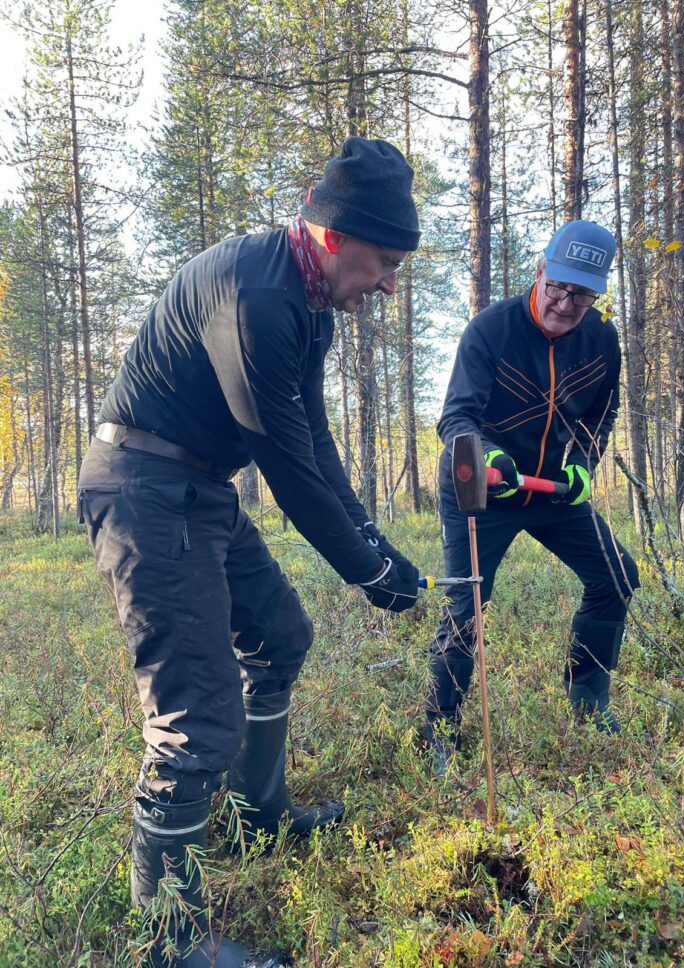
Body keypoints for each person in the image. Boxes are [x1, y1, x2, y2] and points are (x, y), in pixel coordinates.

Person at [78, 137, 421, 967]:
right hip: (143, 488)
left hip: (198, 489)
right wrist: (370, 572)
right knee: (195, 718)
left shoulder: (307, 308)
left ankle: (258, 815)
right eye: (382, 262)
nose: (387, 284)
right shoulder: (257, 293)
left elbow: (318, 447)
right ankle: (171, 942)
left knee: (279, 637)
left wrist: (377, 544)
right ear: (335, 237)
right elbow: (288, 468)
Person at [425, 220, 640, 774]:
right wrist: (486, 454)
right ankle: (439, 729)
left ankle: (588, 700)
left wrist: (582, 466)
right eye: (558, 287)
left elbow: (600, 415)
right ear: (540, 271)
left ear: (597, 294)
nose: (566, 303)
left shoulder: (601, 340)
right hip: (480, 489)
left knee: (617, 576)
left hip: (550, 493)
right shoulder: (491, 330)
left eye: (582, 293)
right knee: (467, 603)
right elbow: (456, 416)